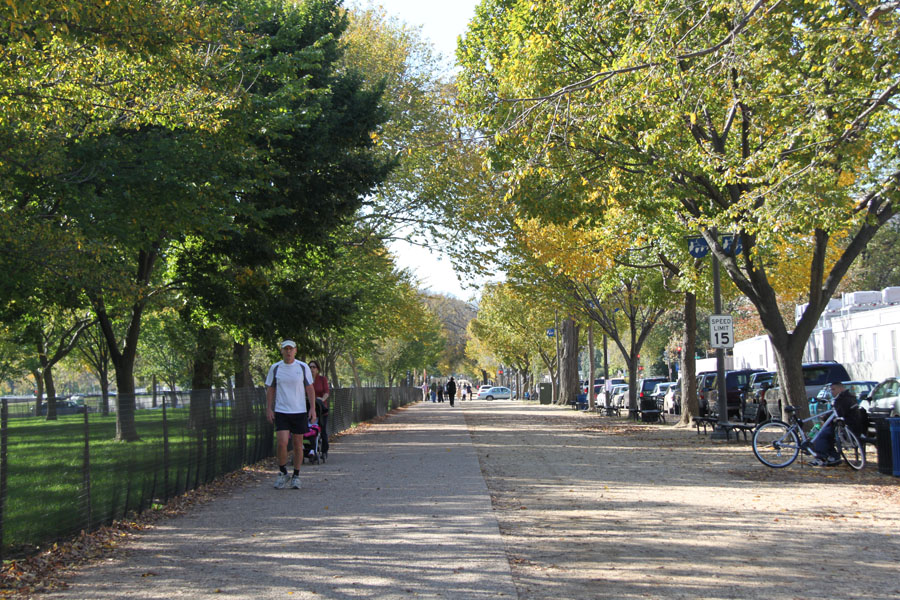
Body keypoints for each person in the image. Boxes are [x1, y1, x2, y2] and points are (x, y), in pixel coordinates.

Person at [265, 340, 317, 489]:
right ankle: (282, 472)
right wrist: (269, 408)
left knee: (297, 444)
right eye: (285, 349)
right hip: (282, 411)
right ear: (281, 351)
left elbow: (310, 388)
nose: (288, 352)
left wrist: (312, 409)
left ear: (295, 351)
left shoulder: (302, 367)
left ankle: (296, 475)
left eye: (291, 349)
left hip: (299, 411)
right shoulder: (275, 368)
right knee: (282, 443)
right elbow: (270, 389)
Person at [810, 379, 856, 466]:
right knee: (823, 432)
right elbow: (835, 413)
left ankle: (821, 457)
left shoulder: (844, 399)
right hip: (842, 425)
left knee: (823, 434)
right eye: (831, 389)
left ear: (841, 389)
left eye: (833, 389)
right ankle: (833, 457)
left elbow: (839, 413)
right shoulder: (843, 398)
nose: (832, 391)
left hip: (847, 427)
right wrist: (825, 418)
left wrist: (826, 418)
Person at [308, 360, 330, 459]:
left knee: (323, 430)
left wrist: (322, 399)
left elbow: (326, 392)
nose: (312, 369)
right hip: (308, 407)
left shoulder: (322, 379)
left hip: (320, 408)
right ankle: (308, 449)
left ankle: (324, 450)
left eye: (314, 367)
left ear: (317, 369)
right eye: (310, 367)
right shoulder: (305, 380)